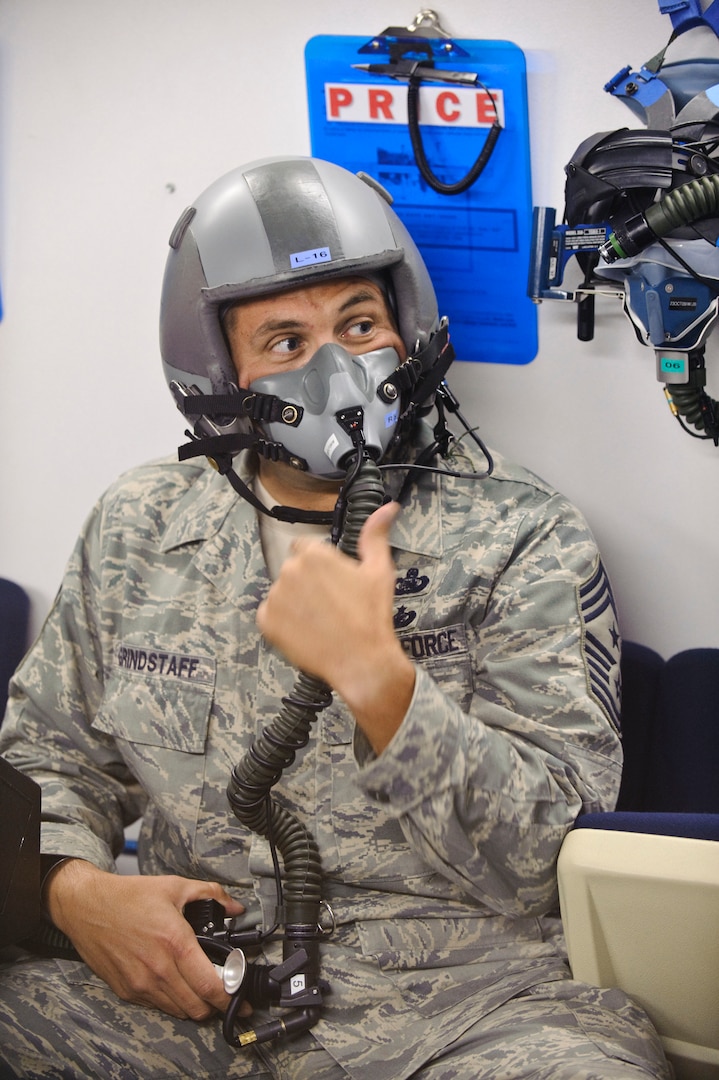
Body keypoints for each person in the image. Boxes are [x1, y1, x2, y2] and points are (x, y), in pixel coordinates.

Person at [0, 156, 670, 1080]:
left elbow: (548, 853)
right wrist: (72, 894)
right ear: (213, 367)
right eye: (283, 341)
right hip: (188, 989)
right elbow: (49, 758)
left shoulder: (524, 531)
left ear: (407, 329)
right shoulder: (140, 525)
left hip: (455, 1008)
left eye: (359, 323)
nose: (337, 368)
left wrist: (378, 684)